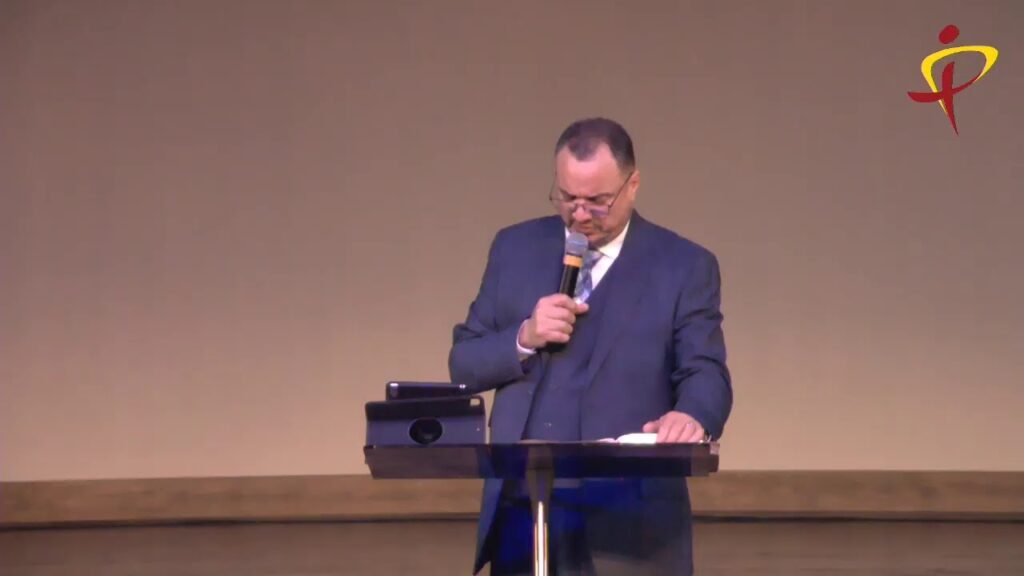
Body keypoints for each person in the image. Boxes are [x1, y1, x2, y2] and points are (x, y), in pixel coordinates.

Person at [449, 118, 732, 575]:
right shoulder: (514, 249)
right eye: (567, 198)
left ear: (632, 185)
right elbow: (464, 362)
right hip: (524, 507)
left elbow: (706, 371)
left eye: (597, 201)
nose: (580, 215)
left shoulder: (683, 266)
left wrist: (692, 415)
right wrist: (523, 337)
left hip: (629, 519)